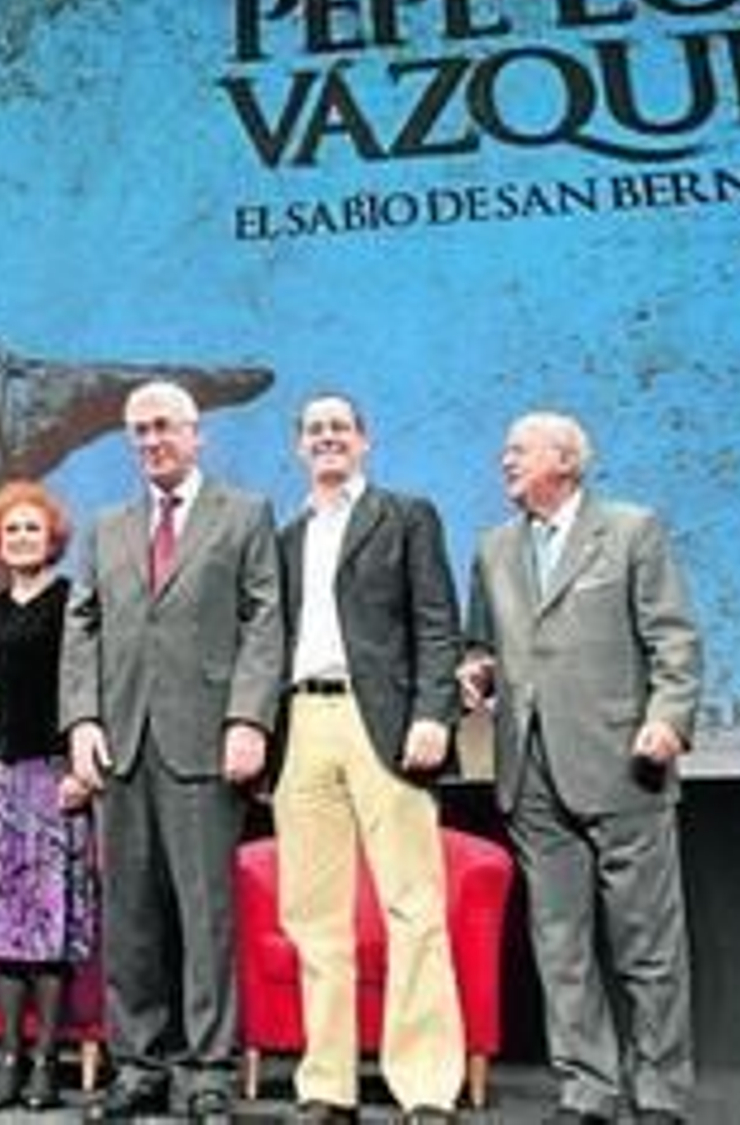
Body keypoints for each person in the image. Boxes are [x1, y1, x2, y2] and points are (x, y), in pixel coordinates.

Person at [458, 411, 702, 1125]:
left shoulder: (630, 531)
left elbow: (674, 639)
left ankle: (658, 1090)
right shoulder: (494, 548)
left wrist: (668, 717)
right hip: (530, 769)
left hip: (621, 762)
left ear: (565, 461)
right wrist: (477, 671)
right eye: (504, 449)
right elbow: (481, 644)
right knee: (560, 945)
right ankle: (587, 1089)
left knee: (646, 945)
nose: (504, 461)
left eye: (519, 450)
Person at [61, 379, 283, 1123]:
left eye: (164, 427)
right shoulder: (107, 526)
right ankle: (139, 1065)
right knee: (130, 915)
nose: (152, 441)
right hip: (122, 743)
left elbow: (264, 621)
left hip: (206, 742)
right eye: (140, 431)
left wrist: (249, 718)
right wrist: (82, 720)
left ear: (196, 434)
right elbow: (82, 626)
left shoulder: (244, 514)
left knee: (204, 912)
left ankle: (208, 1069)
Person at [272, 393, 465, 1124]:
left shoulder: (405, 515)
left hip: (381, 720)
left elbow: (436, 623)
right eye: (314, 429)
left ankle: (425, 1086)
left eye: (339, 427)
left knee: (413, 904)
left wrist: (432, 713)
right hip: (302, 720)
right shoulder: (287, 537)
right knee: (313, 915)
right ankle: (328, 1085)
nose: (327, 437)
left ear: (364, 440)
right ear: (299, 446)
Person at [0, 480, 97, 1113]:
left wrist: (83, 771)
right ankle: (8, 1057)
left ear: (52, 538)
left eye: (32, 528)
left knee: (47, 929)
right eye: (12, 530)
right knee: (4, 927)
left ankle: (46, 1063)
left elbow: (90, 686)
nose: (22, 538)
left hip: (50, 776)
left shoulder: (74, 601)